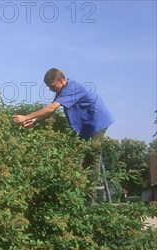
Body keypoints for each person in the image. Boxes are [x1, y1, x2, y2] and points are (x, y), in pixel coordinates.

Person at [12, 68, 115, 200]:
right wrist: (33, 120)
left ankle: (90, 196)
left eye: (51, 86)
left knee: (91, 155)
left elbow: (51, 108)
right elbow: (51, 110)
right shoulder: (64, 89)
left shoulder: (72, 87)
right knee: (78, 156)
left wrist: (26, 117)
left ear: (60, 80)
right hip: (86, 126)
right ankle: (77, 190)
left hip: (96, 122)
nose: (50, 90)